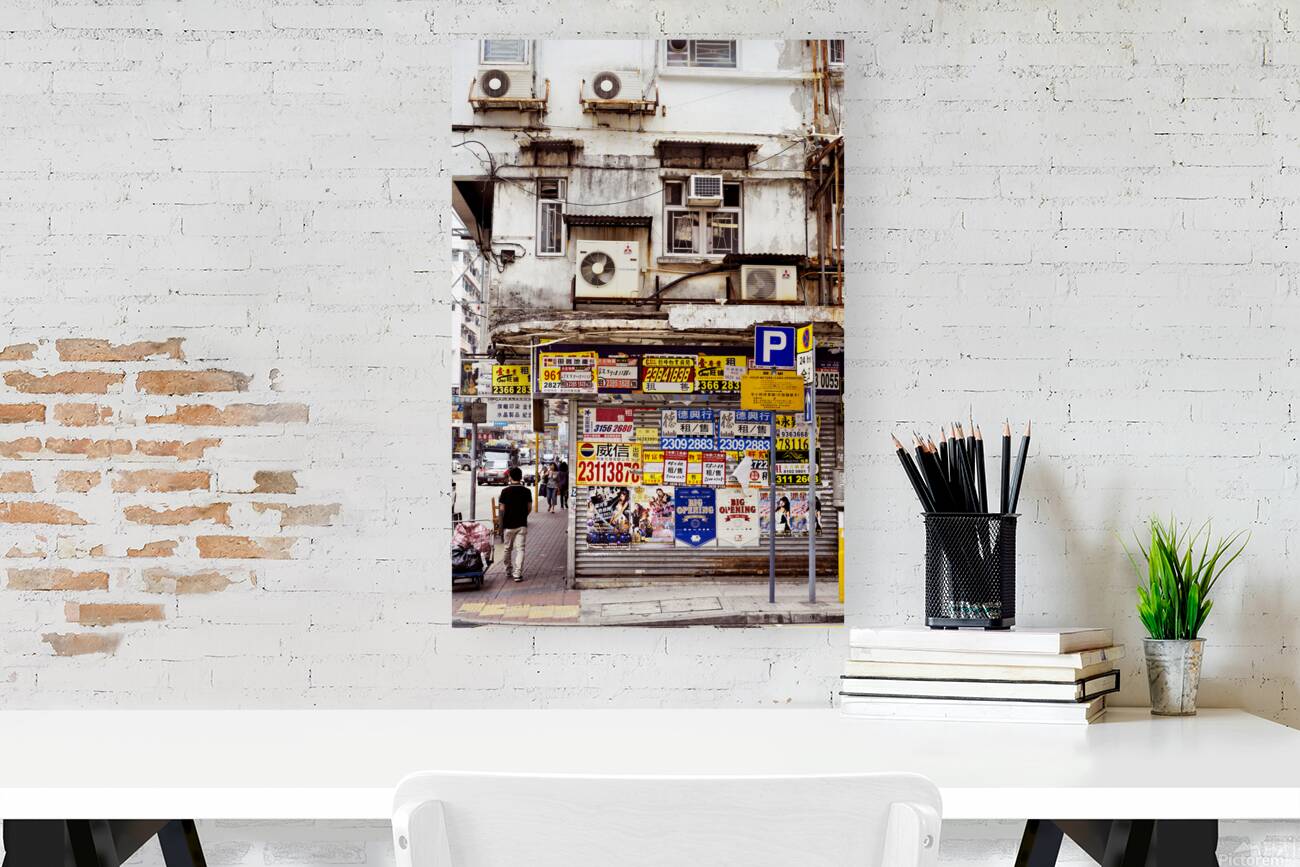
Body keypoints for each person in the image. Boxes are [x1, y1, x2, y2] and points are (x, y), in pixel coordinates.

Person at [498, 466, 532, 582]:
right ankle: (517, 574)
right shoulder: (526, 491)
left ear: (510, 477)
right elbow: (529, 508)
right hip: (522, 524)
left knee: (507, 549)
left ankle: (508, 570)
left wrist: (501, 526)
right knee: (520, 549)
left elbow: (502, 510)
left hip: (508, 525)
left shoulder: (505, 491)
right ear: (521, 477)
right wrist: (522, 516)